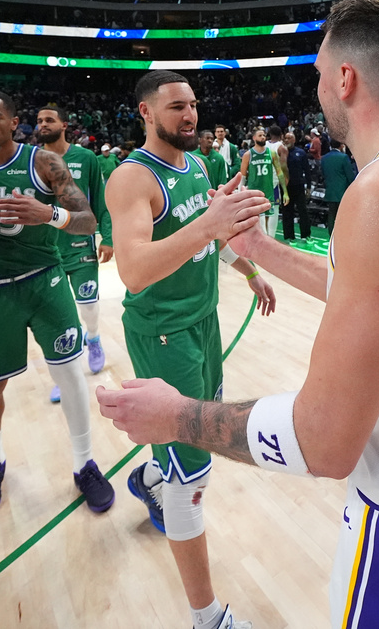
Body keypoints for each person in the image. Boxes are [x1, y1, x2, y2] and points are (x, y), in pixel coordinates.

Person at [99, 0, 379, 629]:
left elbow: (323, 440)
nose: (318, 89)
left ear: (345, 79)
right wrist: (261, 251)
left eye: (320, 74)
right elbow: (373, 295)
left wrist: (178, 417)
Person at [105, 70, 276, 629]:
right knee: (194, 475)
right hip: (164, 334)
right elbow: (132, 271)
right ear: (146, 113)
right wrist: (208, 224)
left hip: (204, 324)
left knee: (181, 452)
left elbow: (209, 240)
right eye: (177, 106)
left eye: (194, 105)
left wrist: (247, 269)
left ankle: (150, 478)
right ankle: (207, 618)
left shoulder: (199, 166)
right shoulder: (132, 179)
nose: (190, 115)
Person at [0, 90, 115, 516]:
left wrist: (48, 214)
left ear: (13, 122)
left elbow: (87, 219)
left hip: (44, 280)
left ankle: (84, 463)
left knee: (70, 374)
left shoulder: (42, 163)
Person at [35, 105, 112, 402]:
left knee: (88, 304)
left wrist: (108, 235)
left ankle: (92, 338)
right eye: (39, 120)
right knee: (56, 315)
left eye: (49, 120)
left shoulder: (87, 158)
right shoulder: (33, 160)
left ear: (64, 124)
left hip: (80, 243)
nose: (43, 124)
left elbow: (100, 198)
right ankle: (66, 375)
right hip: (45, 247)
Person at [240, 127, 287, 240]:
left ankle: (269, 242)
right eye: (260, 135)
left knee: (269, 220)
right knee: (258, 221)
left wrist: (285, 191)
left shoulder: (272, 153)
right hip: (254, 191)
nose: (263, 137)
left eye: (264, 135)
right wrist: (239, 192)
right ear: (254, 138)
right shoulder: (248, 154)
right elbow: (242, 176)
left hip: (268, 190)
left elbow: (280, 173)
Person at [280, 131, 312, 246]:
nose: (287, 140)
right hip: (285, 187)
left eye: (290, 138)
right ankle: (289, 236)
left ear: (294, 140)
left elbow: (307, 171)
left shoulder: (301, 153)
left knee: (303, 211)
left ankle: (306, 235)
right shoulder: (280, 152)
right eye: (286, 138)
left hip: (299, 186)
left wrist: (308, 187)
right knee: (287, 212)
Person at [320, 139, 356, 235]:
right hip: (343, 191)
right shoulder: (343, 157)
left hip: (330, 190)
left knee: (331, 214)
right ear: (341, 145)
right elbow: (350, 176)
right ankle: (342, 236)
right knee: (343, 215)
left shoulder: (324, 158)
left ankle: (331, 236)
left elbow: (323, 174)